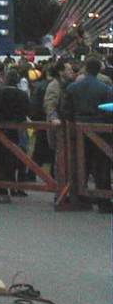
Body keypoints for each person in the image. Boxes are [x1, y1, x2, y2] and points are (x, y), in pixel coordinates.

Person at [62, 56, 113, 213]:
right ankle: (104, 201)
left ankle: (79, 198)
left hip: (78, 131)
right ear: (99, 70)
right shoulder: (106, 89)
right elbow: (109, 113)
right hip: (100, 131)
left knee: (79, 164)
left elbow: (65, 111)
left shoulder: (72, 87)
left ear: (85, 68)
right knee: (102, 166)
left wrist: (75, 122)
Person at [0, 69, 30, 203]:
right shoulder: (22, 95)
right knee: (11, 159)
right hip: (14, 132)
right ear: (18, 81)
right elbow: (27, 111)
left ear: (4, 79)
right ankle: (11, 186)